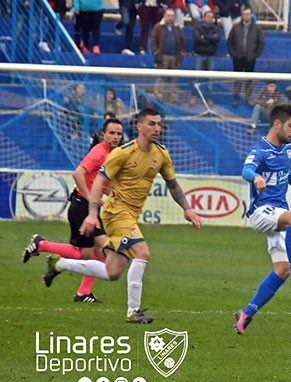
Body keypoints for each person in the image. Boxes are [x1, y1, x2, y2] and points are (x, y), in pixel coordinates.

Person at [43, 109, 204, 323]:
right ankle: (133, 311)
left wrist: (187, 208)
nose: (157, 128)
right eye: (152, 124)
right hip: (116, 212)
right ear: (139, 126)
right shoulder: (122, 153)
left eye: (159, 124)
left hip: (130, 214)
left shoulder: (161, 154)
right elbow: (99, 180)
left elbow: (172, 184)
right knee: (142, 253)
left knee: (113, 271)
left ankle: (59, 265)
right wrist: (92, 214)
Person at [235, 104, 291, 335]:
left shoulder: (286, 148)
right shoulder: (260, 149)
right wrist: (256, 177)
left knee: (280, 269)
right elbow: (246, 170)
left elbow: (283, 168)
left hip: (276, 211)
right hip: (261, 211)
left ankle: (246, 313)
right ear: (277, 124)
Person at [23, 118, 124, 303]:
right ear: (103, 134)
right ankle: (44, 247)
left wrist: (114, 194)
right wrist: (91, 197)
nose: (115, 137)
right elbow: (78, 173)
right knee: (90, 255)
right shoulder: (99, 151)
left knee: (100, 253)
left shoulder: (111, 153)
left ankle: (82, 292)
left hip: (86, 206)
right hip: (82, 207)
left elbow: (97, 181)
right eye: (111, 133)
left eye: (119, 133)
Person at [227, 7, 264, 106]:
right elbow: (230, 42)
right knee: (237, 79)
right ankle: (236, 98)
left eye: (248, 14)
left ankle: (248, 98)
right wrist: (233, 54)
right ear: (242, 15)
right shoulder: (235, 27)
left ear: (251, 15)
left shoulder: (257, 28)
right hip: (237, 58)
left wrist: (255, 55)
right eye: (244, 14)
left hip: (250, 58)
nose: (246, 16)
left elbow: (261, 43)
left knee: (249, 80)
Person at [151, 8, 186, 101]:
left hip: (175, 56)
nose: (170, 18)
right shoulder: (158, 27)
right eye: (168, 15)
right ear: (164, 16)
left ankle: (173, 96)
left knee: (173, 79)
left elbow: (182, 42)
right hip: (163, 56)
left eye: (172, 16)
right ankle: (158, 96)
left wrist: (181, 55)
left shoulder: (177, 28)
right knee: (160, 78)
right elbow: (153, 40)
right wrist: (156, 52)